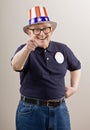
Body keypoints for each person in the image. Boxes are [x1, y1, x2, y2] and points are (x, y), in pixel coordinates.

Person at [11, 6, 81, 130]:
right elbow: (16, 66)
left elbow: (76, 66)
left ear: (52, 29)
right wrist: (27, 49)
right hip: (30, 111)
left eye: (46, 29)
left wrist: (74, 87)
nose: (42, 33)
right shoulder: (24, 50)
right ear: (29, 32)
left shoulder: (62, 49)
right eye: (36, 30)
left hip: (60, 110)